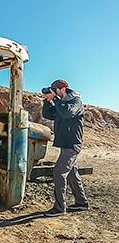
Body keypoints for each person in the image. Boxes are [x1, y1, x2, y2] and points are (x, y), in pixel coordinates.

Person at [41, 79, 88, 215]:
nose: (54, 93)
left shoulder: (75, 102)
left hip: (72, 144)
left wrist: (55, 99)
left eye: (55, 90)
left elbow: (68, 113)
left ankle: (59, 208)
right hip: (65, 144)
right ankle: (81, 203)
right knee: (72, 174)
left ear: (63, 89)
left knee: (59, 173)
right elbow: (47, 114)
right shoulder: (60, 103)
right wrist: (47, 101)